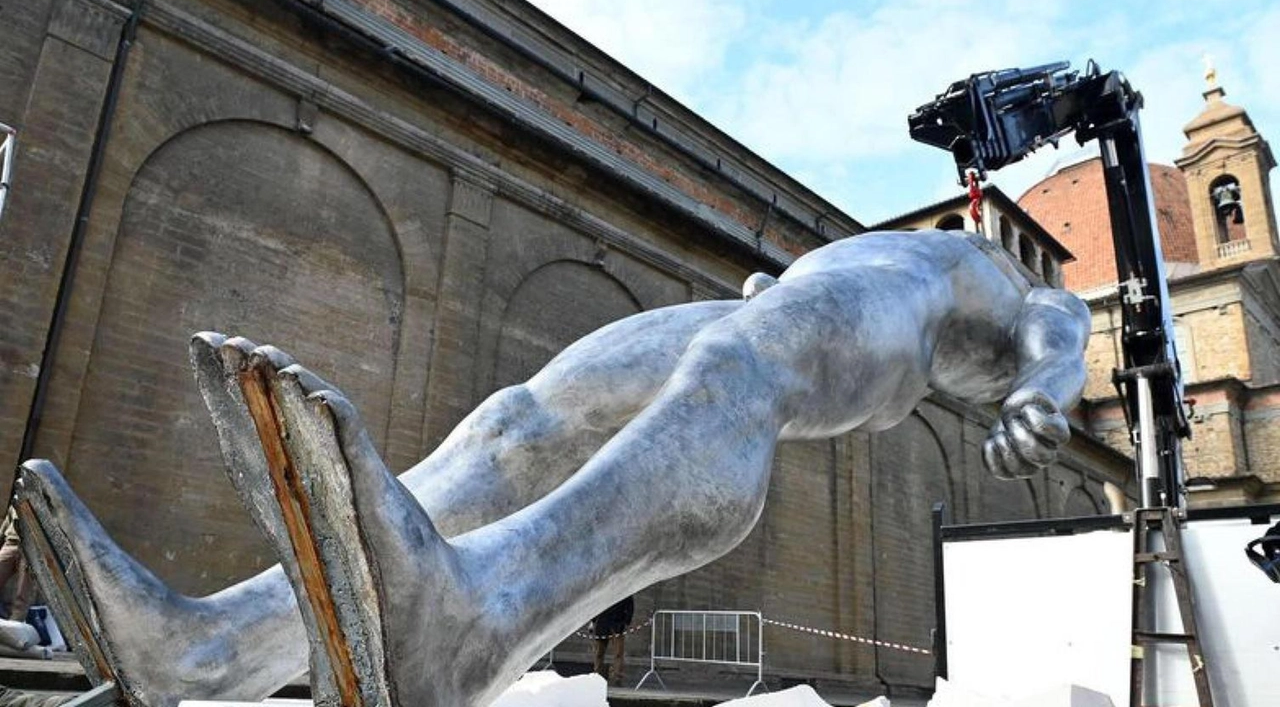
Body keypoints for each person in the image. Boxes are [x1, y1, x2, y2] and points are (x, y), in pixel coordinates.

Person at [17, 229, 1090, 707]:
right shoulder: (908, 242)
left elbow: (1060, 338)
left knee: (733, 368)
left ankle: (477, 623)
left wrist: (1039, 400)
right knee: (522, 417)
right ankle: (200, 654)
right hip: (790, 299)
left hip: (885, 327)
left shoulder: (1010, 281)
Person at [590, 596, 634, 685]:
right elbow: (596, 604)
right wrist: (593, 621)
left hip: (618, 623)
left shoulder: (625, 590)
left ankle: (618, 678)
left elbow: (630, 605)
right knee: (599, 653)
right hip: (603, 622)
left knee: (618, 653)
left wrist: (626, 621)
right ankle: (597, 676)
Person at [0, 508, 33, 623]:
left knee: (22, 594)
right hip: (10, 543)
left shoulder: (42, 501)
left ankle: (15, 624)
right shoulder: (16, 499)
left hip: (31, 549)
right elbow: (5, 524)